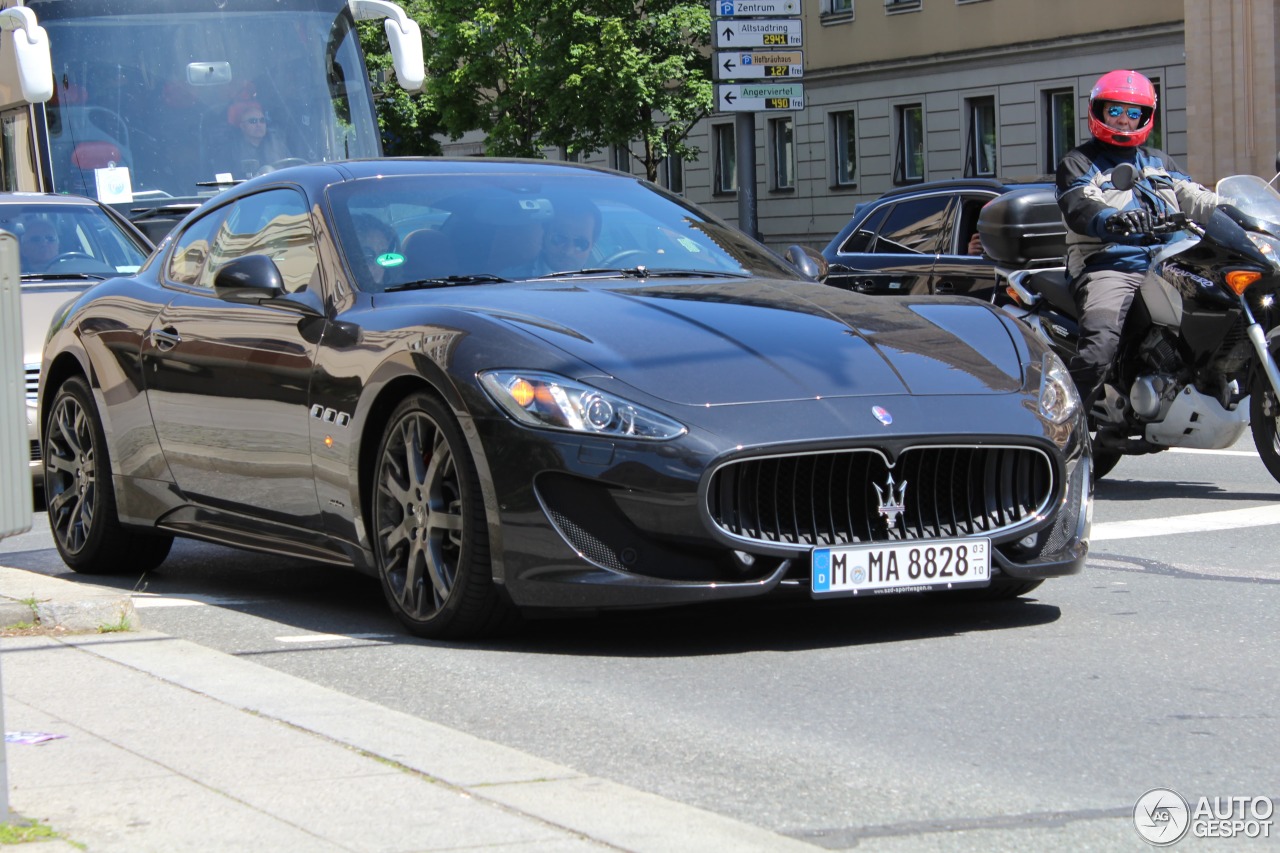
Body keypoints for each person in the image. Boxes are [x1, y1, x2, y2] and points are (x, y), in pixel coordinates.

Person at [1055, 69, 1218, 413]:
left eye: (1133, 113)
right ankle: (1060, 429)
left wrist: (1236, 210)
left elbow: (1194, 196)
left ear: (1146, 117)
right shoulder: (1079, 161)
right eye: (1115, 110)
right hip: (1111, 262)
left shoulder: (1159, 161)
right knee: (1099, 347)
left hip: (1170, 260)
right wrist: (1112, 219)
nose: (1124, 120)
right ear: (1097, 111)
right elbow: (1080, 205)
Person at [221, 100, 290, 178]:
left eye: (262, 120)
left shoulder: (277, 144)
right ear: (243, 126)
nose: (259, 124)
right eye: (253, 121)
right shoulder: (231, 151)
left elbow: (292, 168)